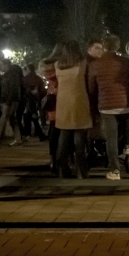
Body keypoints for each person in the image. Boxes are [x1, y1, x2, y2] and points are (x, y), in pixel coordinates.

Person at [88, 34, 129, 180]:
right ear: (118, 46)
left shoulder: (95, 64)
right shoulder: (125, 62)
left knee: (111, 139)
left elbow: (91, 87)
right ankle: (128, 146)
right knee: (128, 123)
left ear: (104, 45)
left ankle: (115, 170)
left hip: (106, 105)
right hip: (125, 102)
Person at [54, 40, 93, 178]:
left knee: (63, 138)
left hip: (63, 104)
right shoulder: (82, 63)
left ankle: (62, 170)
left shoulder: (58, 65)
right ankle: (81, 171)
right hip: (79, 101)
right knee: (79, 140)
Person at [0, 58, 22, 147]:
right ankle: (17, 138)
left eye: (1, 64)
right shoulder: (8, 75)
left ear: (6, 65)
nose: (0, 66)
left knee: (4, 118)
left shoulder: (11, 75)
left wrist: (7, 101)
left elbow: (12, 89)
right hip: (8, 100)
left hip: (9, 100)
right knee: (10, 119)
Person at [22, 63, 47, 142]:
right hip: (35, 100)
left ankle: (28, 134)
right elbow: (42, 90)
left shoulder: (25, 79)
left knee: (30, 116)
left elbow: (24, 90)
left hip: (28, 100)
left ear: (28, 69)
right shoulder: (38, 79)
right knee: (32, 116)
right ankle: (39, 134)